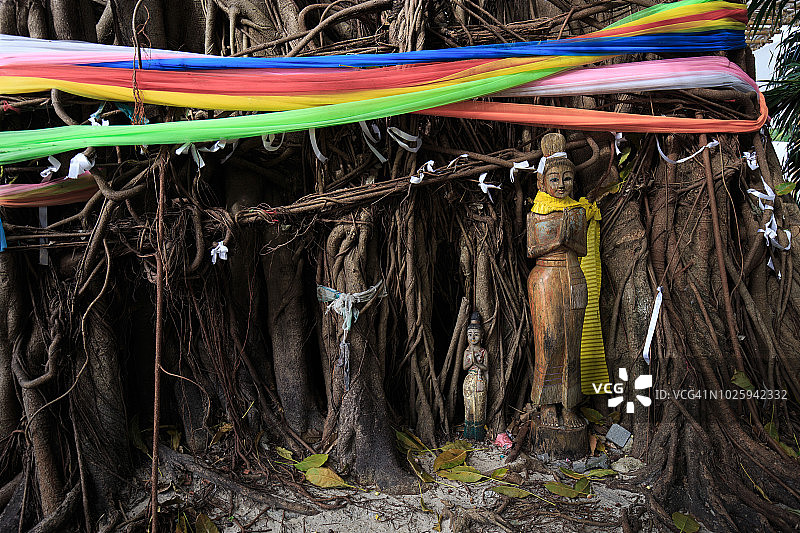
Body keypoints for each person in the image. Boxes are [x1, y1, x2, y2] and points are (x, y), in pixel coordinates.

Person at [527, 132, 588, 428]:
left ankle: (569, 404)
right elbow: (532, 248)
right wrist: (557, 237)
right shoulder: (536, 213)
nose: (561, 185)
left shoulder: (578, 211)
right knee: (549, 340)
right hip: (545, 278)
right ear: (541, 183)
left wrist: (567, 235)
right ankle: (547, 402)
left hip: (574, 274)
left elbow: (582, 248)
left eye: (566, 179)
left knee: (572, 341)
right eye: (554, 179)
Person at [462, 312, 488, 440]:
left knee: (479, 405)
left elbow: (486, 367)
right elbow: (464, 367)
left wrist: (477, 362)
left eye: (476, 335)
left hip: (479, 380)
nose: (473, 338)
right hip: (469, 381)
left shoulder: (483, 352)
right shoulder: (467, 351)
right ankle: (469, 432)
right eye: (470, 334)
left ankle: (478, 434)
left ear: (481, 336)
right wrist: (471, 361)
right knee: (469, 406)